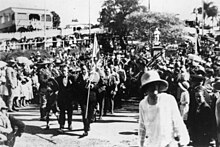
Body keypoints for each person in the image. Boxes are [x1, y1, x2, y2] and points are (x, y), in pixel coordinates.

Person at [138, 70, 189, 147]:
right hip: (152, 143)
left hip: (168, 143)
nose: (154, 87)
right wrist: (141, 143)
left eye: (156, 84)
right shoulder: (143, 104)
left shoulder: (168, 99)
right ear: (146, 89)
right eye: (150, 85)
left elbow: (177, 121)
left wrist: (183, 141)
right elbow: (142, 126)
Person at [56, 65, 76, 133]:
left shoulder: (72, 78)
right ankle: (62, 125)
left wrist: (74, 98)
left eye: (65, 71)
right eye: (62, 71)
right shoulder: (58, 79)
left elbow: (74, 88)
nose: (63, 72)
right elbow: (55, 87)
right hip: (61, 98)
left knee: (70, 112)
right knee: (62, 112)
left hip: (69, 98)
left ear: (67, 71)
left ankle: (69, 124)